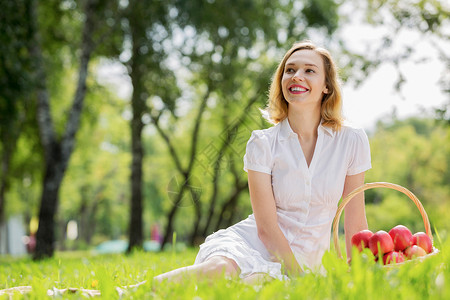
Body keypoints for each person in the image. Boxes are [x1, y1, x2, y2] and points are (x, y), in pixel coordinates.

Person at [154, 40, 372, 284]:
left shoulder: (351, 140)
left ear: (327, 86)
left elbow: (356, 222)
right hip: (253, 246)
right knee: (221, 270)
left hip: (309, 262)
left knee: (256, 283)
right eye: (289, 70)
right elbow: (266, 228)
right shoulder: (262, 143)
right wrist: (299, 277)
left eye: (309, 70)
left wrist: (363, 276)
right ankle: (128, 292)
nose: (297, 76)